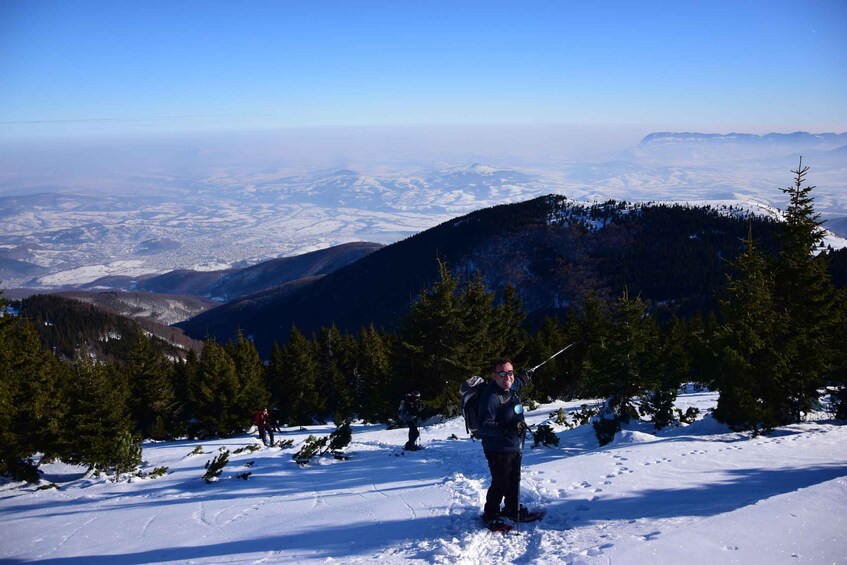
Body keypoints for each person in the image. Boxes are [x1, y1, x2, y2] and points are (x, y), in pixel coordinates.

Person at [478, 358, 532, 525]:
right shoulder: (492, 397)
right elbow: (484, 425)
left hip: (513, 445)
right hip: (497, 448)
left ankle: (511, 508)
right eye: (502, 373)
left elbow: (518, 383)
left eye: (510, 372)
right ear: (495, 376)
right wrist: (508, 427)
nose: (507, 377)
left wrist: (525, 376)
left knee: (514, 479)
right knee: (501, 482)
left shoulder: (510, 387)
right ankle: (490, 514)